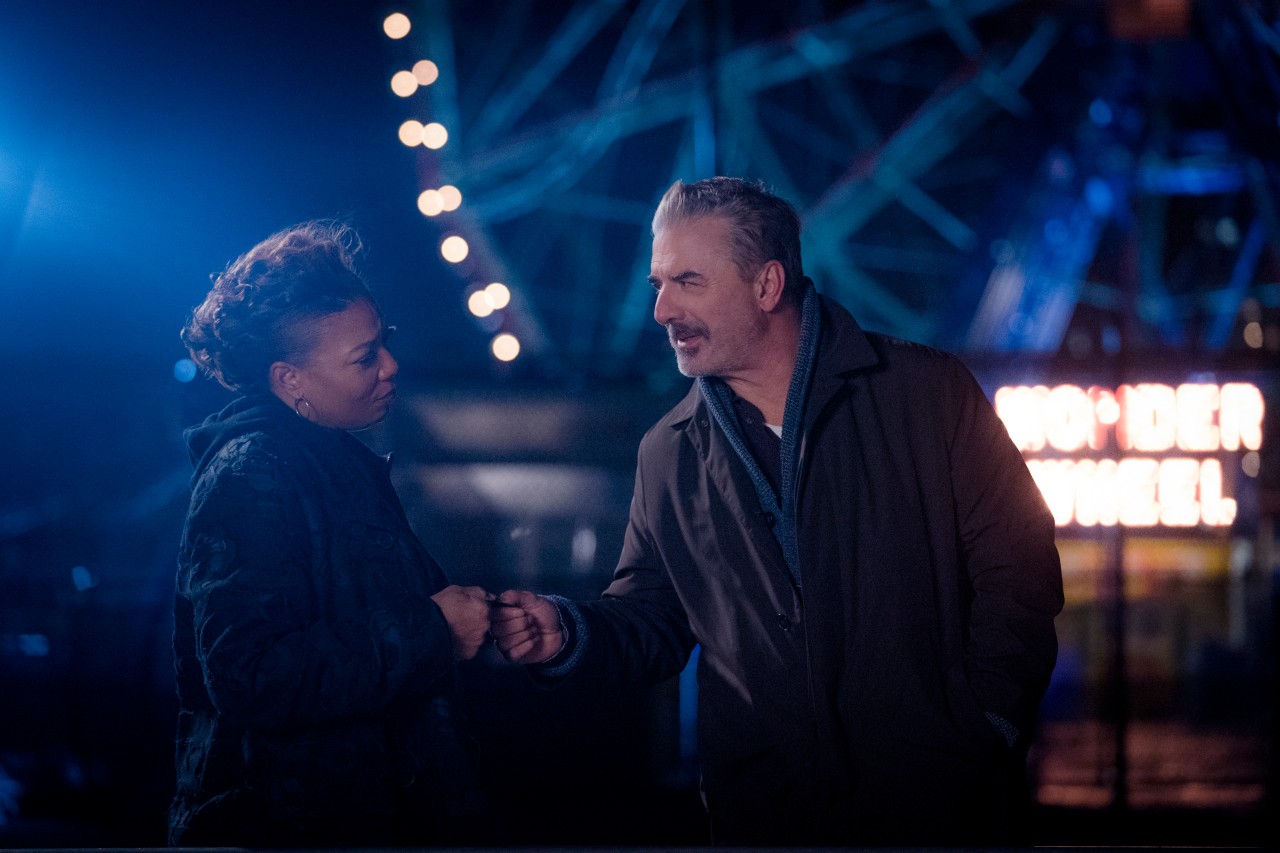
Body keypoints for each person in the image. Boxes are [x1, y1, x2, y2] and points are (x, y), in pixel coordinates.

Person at [492, 177, 1065, 846]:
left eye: (688, 282)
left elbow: (1018, 569)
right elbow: (651, 616)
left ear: (767, 285)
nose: (661, 310)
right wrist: (568, 631)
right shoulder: (667, 454)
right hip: (765, 823)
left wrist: (982, 727)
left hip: (937, 818)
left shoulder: (930, 395)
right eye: (657, 284)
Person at [170, 221, 492, 847]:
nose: (391, 366)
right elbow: (251, 675)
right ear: (289, 380)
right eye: (365, 356)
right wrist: (433, 628)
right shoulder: (251, 473)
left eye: (384, 342)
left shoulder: (331, 462)